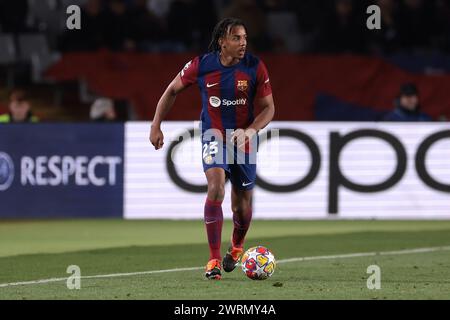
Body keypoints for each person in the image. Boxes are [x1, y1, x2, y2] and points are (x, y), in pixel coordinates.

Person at [149, 18, 275, 280]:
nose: (243, 44)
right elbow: (172, 90)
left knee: (241, 207)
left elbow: (269, 108)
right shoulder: (202, 65)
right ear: (222, 41)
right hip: (213, 135)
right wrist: (156, 125)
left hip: (244, 139)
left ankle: (237, 247)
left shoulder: (254, 66)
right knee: (216, 187)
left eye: (245, 38)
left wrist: (250, 130)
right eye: (237, 38)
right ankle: (214, 259)